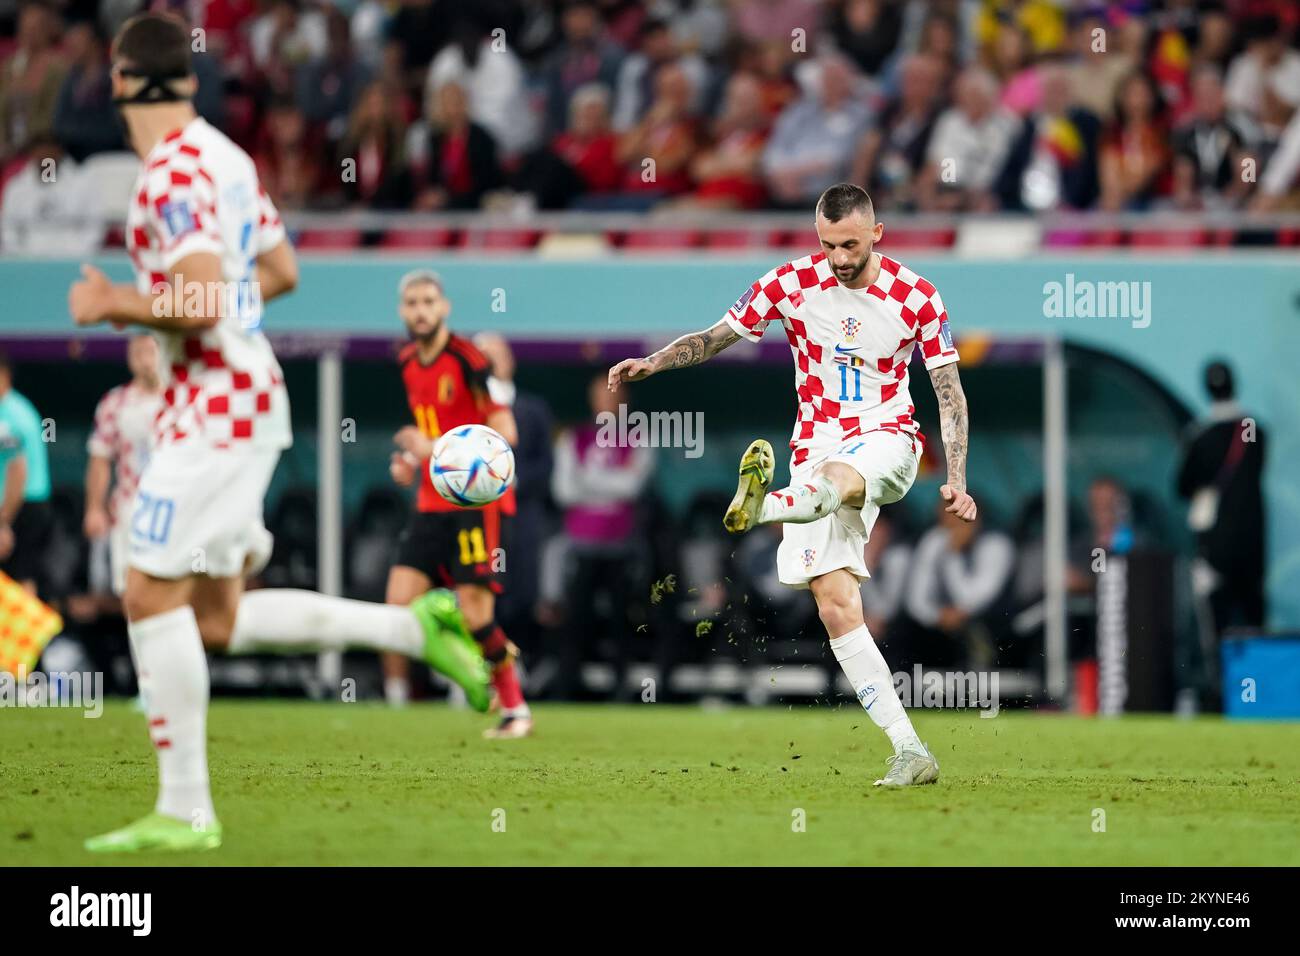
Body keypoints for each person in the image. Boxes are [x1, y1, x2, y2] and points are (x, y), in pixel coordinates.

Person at [66, 13, 488, 854]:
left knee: (146, 590)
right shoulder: (224, 156)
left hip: (215, 404)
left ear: (120, 81)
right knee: (214, 618)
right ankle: (413, 628)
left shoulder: (167, 175)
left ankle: (185, 811)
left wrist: (117, 304)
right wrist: (214, 316)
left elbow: (199, 297)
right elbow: (280, 275)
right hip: (234, 391)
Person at [609, 183, 976, 787]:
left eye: (851, 244)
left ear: (877, 234)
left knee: (834, 479)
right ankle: (911, 751)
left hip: (889, 441)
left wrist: (956, 478)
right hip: (816, 445)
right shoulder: (789, 283)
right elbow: (715, 336)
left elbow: (949, 394)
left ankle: (763, 506)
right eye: (829, 244)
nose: (839, 257)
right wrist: (656, 362)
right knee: (835, 604)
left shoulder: (916, 296)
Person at [384, 270, 533, 739]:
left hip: (476, 504)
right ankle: (471, 672)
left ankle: (515, 710)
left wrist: (435, 449)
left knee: (477, 615)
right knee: (398, 608)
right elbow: (426, 431)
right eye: (412, 303)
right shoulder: (407, 360)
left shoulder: (469, 358)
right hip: (430, 501)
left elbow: (504, 433)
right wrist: (410, 461)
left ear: (444, 307)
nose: (421, 310)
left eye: (429, 301)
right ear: (402, 311)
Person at [1176, 361, 1267, 708]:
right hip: (1252, 549)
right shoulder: (1256, 432)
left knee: (1215, 628)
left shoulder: (1201, 436)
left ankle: (1223, 698)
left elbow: (1183, 486)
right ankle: (1258, 697)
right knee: (1255, 623)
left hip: (1214, 550)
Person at [84, 333, 164, 600]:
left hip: (176, 507)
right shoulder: (115, 403)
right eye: (137, 353)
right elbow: (100, 459)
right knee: (131, 591)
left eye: (150, 351)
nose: (145, 360)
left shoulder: (183, 398)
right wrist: (95, 508)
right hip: (130, 508)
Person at [0, 349, 53, 596]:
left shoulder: (12, 416)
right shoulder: (12, 407)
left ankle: (28, 637)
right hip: (21, 506)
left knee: (21, 579)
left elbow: (17, 469)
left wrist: (3, 522)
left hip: (23, 507)